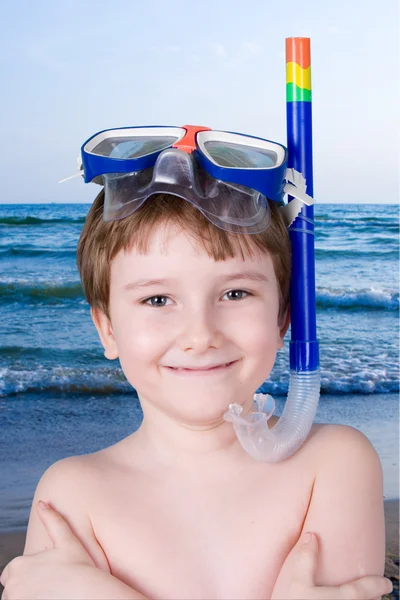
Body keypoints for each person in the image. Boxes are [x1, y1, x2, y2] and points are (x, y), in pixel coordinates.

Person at [0, 126, 393, 600]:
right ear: (107, 328)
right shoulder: (71, 497)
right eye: (158, 298)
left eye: (235, 293)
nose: (201, 334)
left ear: (283, 317)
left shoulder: (333, 464)